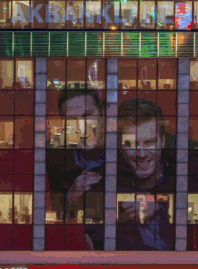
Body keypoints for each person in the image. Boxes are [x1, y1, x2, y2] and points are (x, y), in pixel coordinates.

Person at [46, 87, 106, 250]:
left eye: (87, 115)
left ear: (101, 114)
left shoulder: (124, 143)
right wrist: (71, 196)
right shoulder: (54, 151)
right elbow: (58, 212)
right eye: (72, 119)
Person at [116, 97, 174, 251]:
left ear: (162, 142)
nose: (141, 154)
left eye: (149, 143)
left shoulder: (186, 176)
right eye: (131, 144)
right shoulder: (110, 184)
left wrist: (160, 204)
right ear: (120, 146)